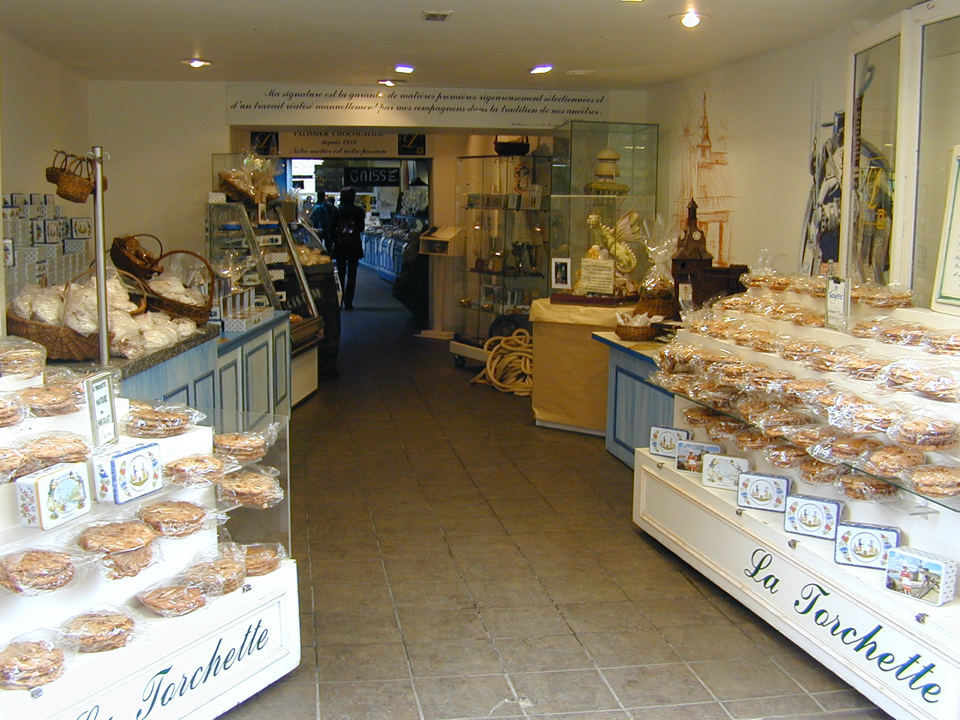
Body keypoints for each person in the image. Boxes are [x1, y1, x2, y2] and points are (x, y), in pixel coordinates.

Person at [332, 187, 365, 309]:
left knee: (340, 273)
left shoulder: (337, 211)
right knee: (352, 275)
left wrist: (334, 242)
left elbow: (331, 228)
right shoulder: (359, 211)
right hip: (354, 245)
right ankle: (348, 302)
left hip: (340, 246)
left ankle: (339, 299)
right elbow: (361, 228)